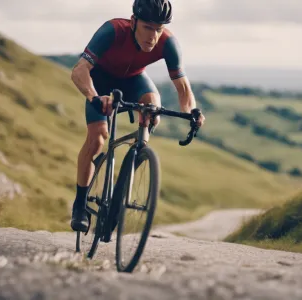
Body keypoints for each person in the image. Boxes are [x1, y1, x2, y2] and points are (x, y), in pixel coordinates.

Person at [69, 0, 206, 232]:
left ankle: (126, 177)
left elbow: (183, 88)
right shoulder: (112, 31)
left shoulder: (168, 43)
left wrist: (192, 112)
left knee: (153, 110)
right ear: (133, 22)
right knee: (97, 139)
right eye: (147, 27)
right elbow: (79, 70)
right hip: (101, 82)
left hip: (134, 79)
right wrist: (94, 97)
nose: (153, 36)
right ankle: (80, 206)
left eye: (159, 28)